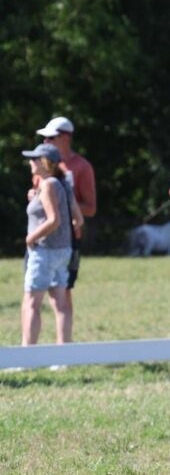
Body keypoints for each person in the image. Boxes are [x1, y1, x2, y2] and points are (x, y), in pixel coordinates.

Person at [20, 143, 82, 350]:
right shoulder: (63, 183)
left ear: (44, 163)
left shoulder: (48, 185)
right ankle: (62, 356)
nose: (31, 162)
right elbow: (78, 219)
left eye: (34, 159)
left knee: (31, 303)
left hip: (44, 251)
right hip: (63, 251)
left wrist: (31, 238)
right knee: (61, 304)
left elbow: (53, 220)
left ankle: (27, 356)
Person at [36, 116, 95, 333]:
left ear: (66, 137)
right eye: (43, 138)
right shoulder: (42, 165)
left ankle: (64, 346)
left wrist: (63, 203)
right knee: (34, 296)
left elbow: (90, 208)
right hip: (42, 241)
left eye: (50, 137)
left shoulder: (81, 167)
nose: (45, 142)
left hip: (68, 240)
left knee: (62, 294)